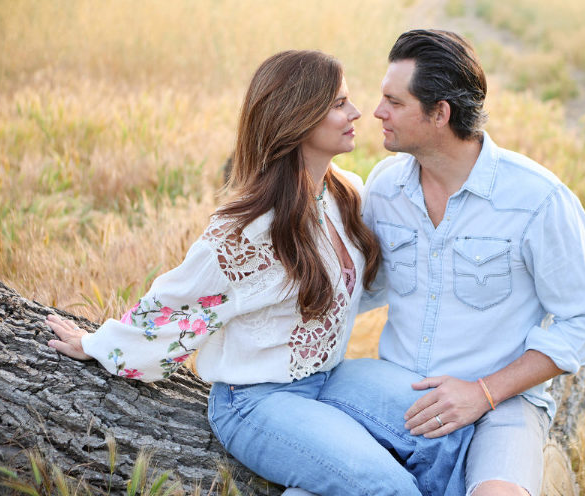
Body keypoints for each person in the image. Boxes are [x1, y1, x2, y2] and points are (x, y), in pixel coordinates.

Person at [44, 49, 473, 496]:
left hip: (329, 377)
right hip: (256, 401)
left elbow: (364, 285)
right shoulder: (246, 231)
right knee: (387, 487)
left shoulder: (346, 193)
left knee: (450, 434)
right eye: (338, 103)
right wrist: (98, 343)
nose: (357, 112)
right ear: (298, 118)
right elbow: (176, 304)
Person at [316, 30, 585, 496]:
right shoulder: (386, 187)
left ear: (440, 114)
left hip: (503, 407)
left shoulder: (538, 200)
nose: (376, 112)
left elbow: (583, 323)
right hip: (399, 396)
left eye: (394, 101)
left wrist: (483, 393)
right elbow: (362, 288)